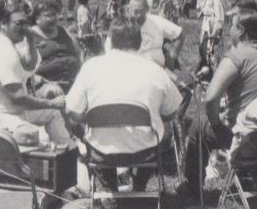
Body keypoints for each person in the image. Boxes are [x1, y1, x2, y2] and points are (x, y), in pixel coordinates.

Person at [177, 8, 257, 198]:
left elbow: (210, 98)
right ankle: (251, 174)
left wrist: (216, 121)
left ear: (240, 30)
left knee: (197, 127)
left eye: (231, 26)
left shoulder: (237, 57)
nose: (229, 30)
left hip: (246, 139)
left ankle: (192, 187)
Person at [65, 18, 182, 194]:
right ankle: (140, 185)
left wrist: (93, 121)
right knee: (164, 129)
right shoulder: (155, 70)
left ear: (109, 41)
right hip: (145, 151)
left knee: (87, 129)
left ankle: (108, 186)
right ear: (140, 42)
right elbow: (172, 110)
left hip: (101, 150)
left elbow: (72, 111)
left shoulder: (91, 67)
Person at [0, 4, 73, 146]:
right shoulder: (3, 50)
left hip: (10, 111)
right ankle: (48, 161)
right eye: (19, 23)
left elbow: (29, 65)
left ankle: (69, 151)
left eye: (26, 23)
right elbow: (18, 98)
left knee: (53, 113)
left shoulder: (5, 40)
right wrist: (51, 103)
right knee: (38, 136)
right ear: (3, 24)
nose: (24, 28)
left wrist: (30, 41)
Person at [118, 0, 185, 69]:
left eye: (142, 11)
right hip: (133, 66)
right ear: (129, 10)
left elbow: (180, 34)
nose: (139, 15)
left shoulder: (156, 21)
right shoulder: (124, 25)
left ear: (146, 10)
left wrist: (172, 55)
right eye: (135, 11)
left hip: (157, 67)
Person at [31, 1, 83, 86]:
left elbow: (78, 52)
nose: (52, 18)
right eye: (48, 15)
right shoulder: (31, 36)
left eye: (54, 14)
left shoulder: (63, 31)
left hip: (74, 82)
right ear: (37, 19)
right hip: (47, 84)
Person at [196, 0, 225, 72]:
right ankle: (205, 66)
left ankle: (214, 69)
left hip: (212, 24)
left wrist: (216, 29)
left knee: (210, 48)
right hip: (206, 23)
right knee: (203, 46)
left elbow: (219, 15)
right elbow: (202, 8)